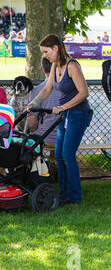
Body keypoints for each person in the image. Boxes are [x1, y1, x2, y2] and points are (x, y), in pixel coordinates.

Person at [27, 34, 92, 205]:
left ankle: (75, 197)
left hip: (78, 114)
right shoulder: (55, 65)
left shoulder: (72, 66)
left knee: (68, 155)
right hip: (65, 115)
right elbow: (47, 90)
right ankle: (63, 195)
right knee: (60, 156)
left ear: (56, 48)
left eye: (46, 52)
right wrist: (33, 104)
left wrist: (63, 107)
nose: (44, 56)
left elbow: (84, 92)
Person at [28, 57, 61, 145]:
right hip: (67, 137)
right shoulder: (67, 88)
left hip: (44, 137)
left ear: (42, 69)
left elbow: (31, 124)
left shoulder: (37, 90)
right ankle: (53, 157)